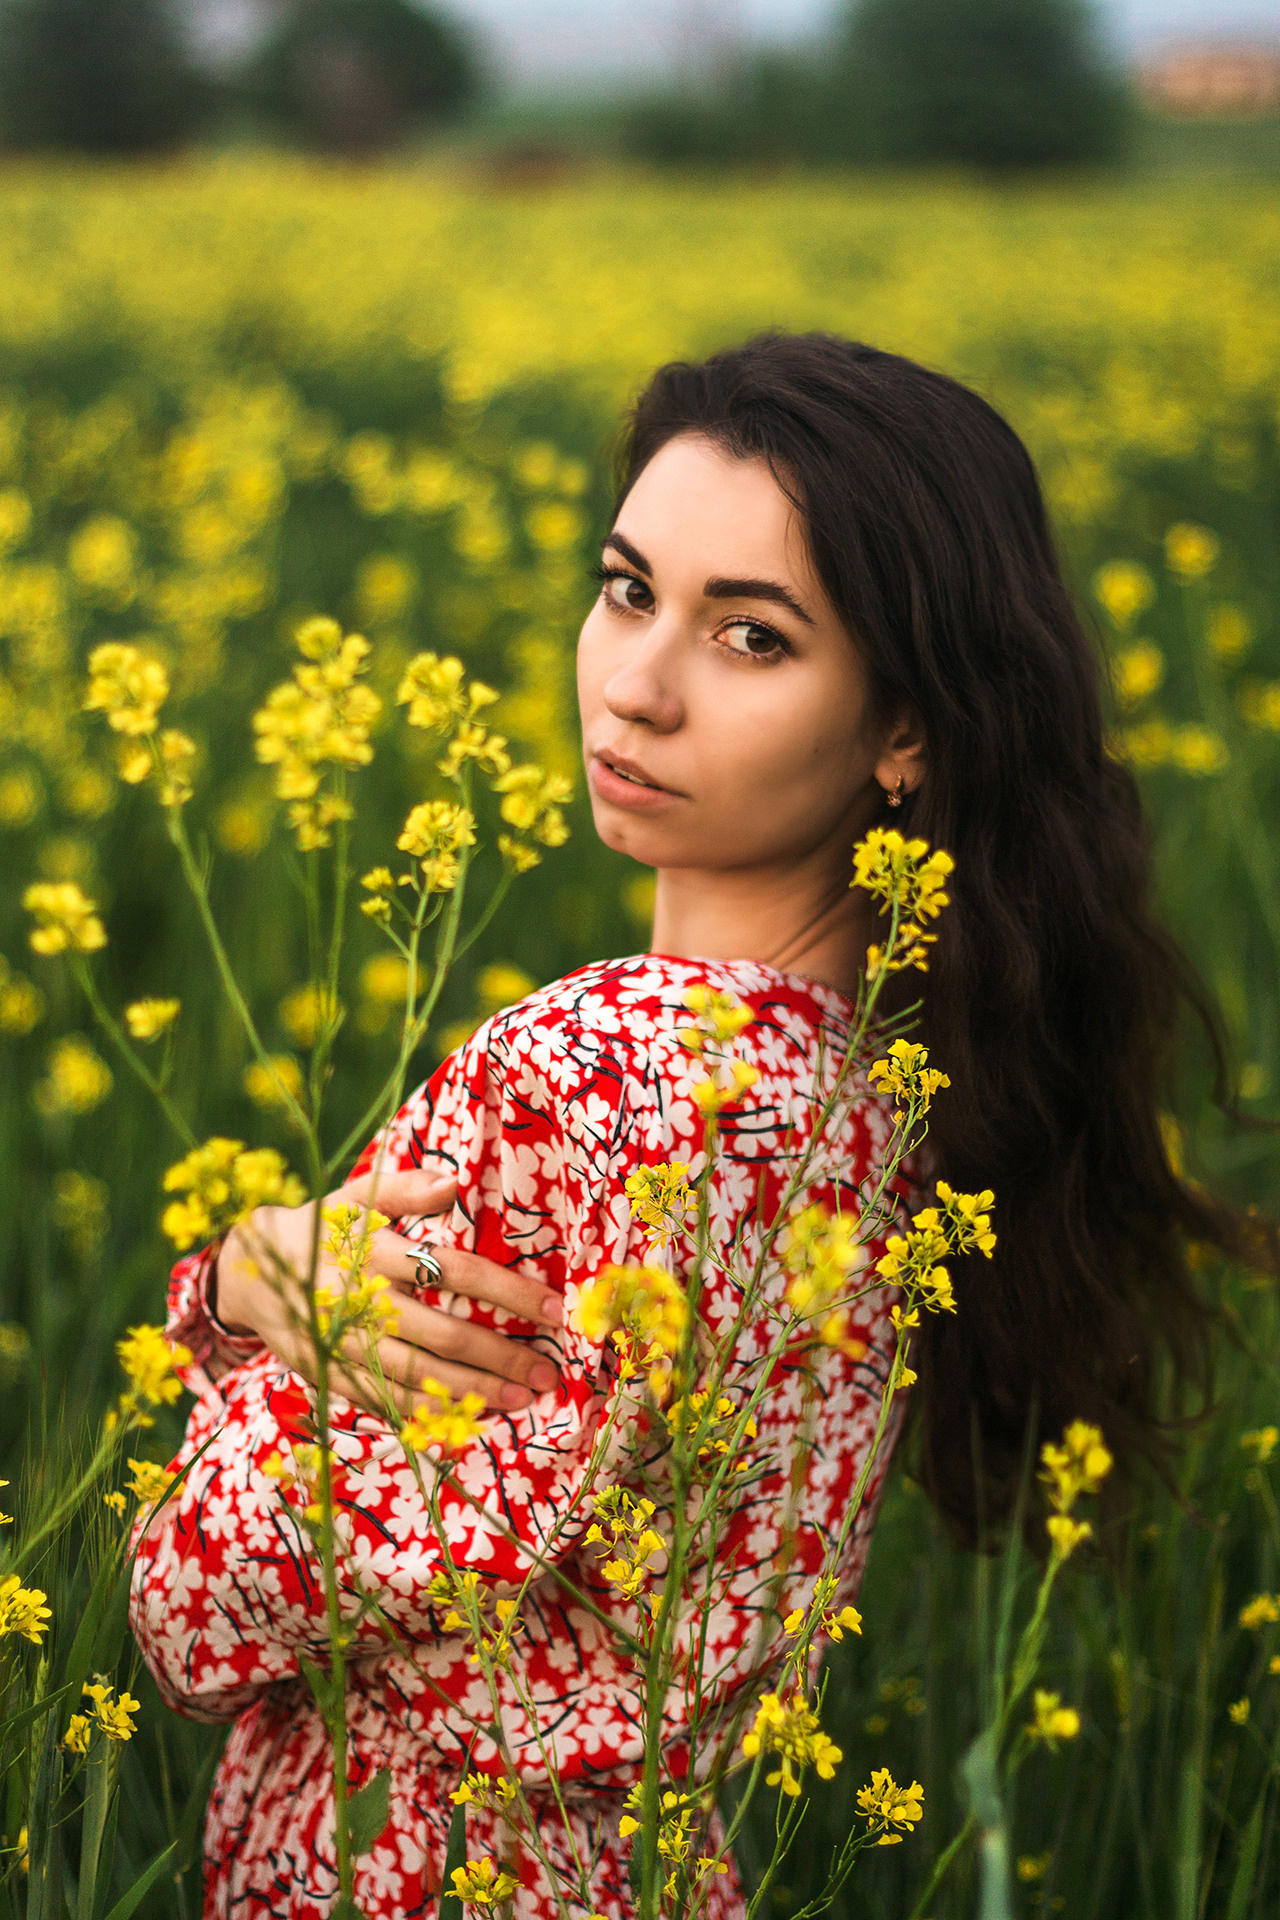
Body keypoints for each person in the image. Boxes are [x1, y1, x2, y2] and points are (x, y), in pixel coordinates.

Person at [130, 332, 1268, 1919]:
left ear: (906, 731)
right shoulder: (887, 1100)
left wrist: (233, 1298)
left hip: (409, 1870)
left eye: (750, 638)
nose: (637, 685)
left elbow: (198, 1608)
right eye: (626, 589)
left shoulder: (596, 1071)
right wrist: (249, 1290)